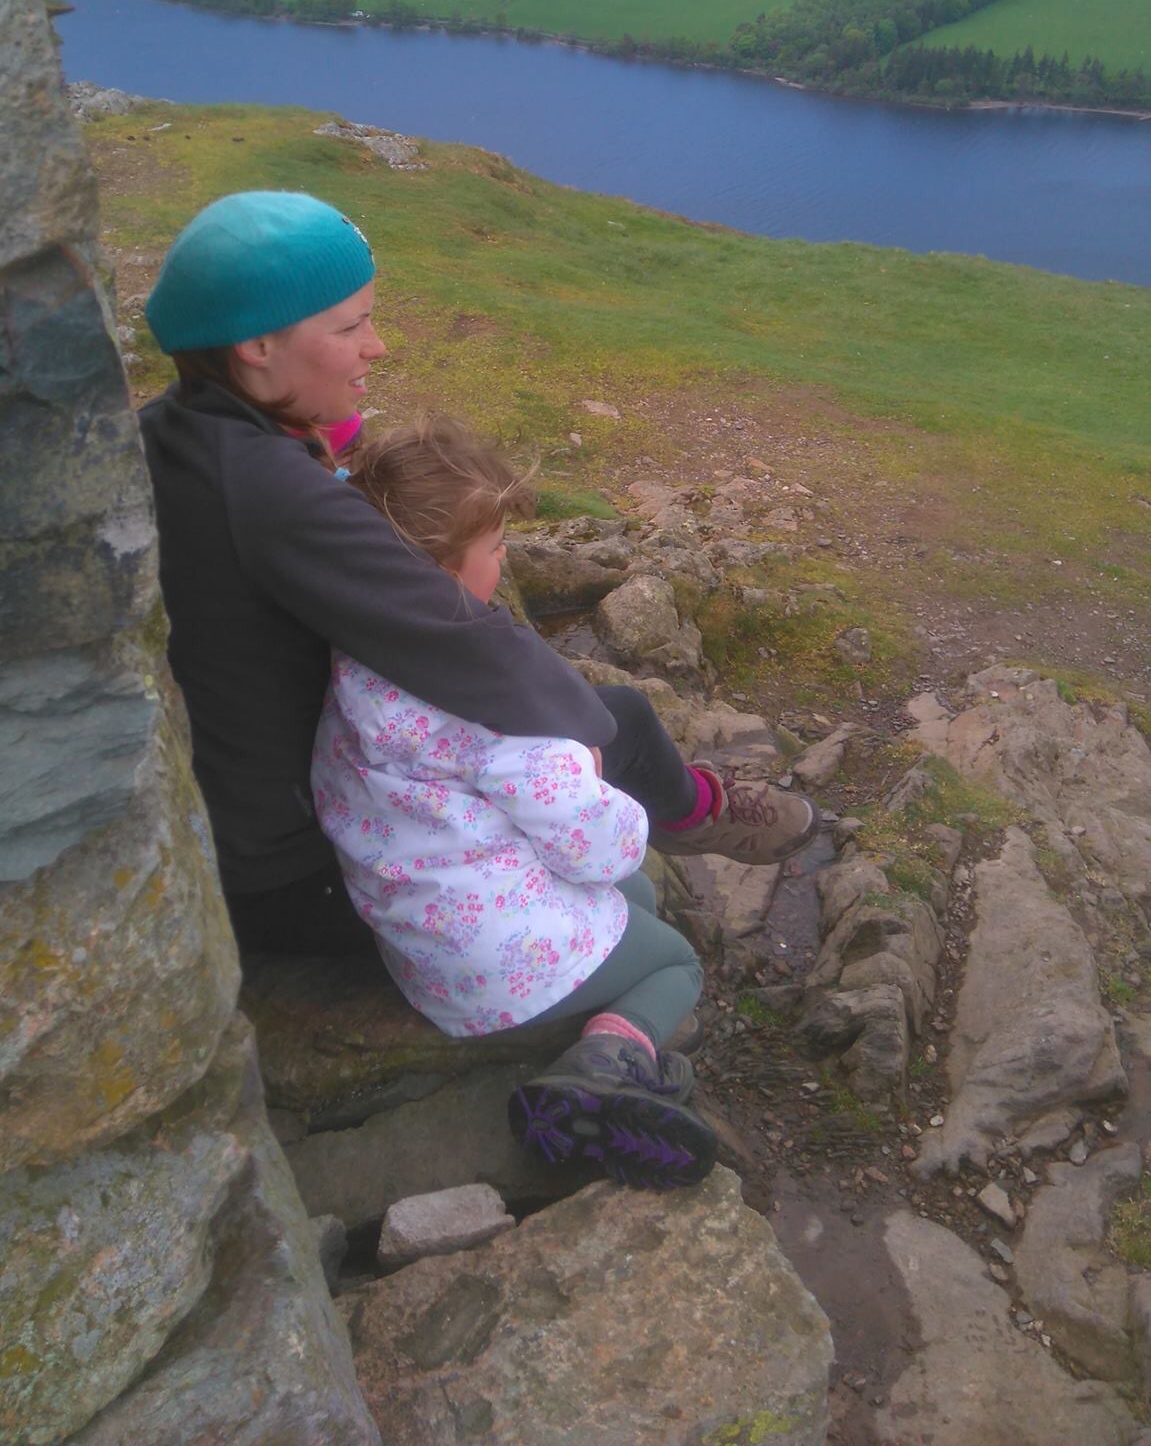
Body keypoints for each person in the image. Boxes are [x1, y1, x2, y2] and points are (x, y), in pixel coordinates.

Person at [140, 189, 818, 965]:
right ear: (257, 345)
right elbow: (455, 633)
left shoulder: (178, 433)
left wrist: (325, 432)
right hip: (313, 861)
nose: (377, 346)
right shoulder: (274, 494)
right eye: (351, 326)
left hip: (253, 817)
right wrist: (574, 733)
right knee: (615, 722)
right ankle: (693, 818)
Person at [311, 415, 719, 1189]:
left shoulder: (358, 659)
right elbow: (596, 846)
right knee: (674, 959)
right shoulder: (488, 695)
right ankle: (603, 1068)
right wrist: (592, 778)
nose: (504, 561)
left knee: (632, 899)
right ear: (440, 571)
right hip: (497, 966)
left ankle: (593, 1033)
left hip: (424, 941)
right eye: (495, 549)